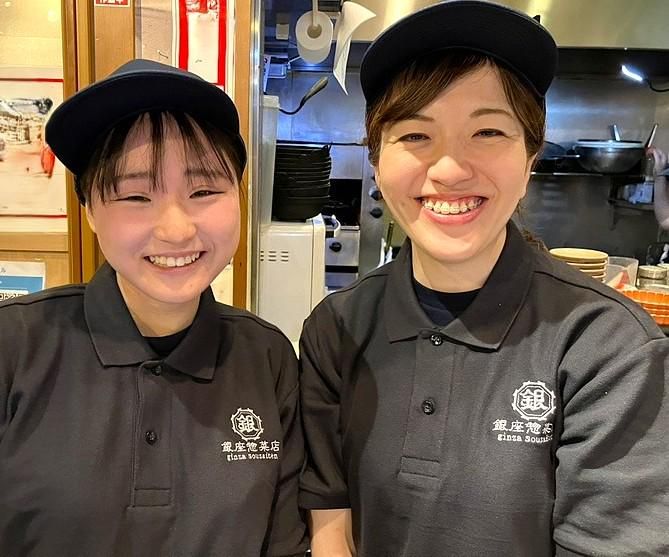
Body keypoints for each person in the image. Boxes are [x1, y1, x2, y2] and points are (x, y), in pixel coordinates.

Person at [298, 2, 669, 556]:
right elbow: (332, 527)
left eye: (488, 131)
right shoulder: (337, 328)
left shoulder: (607, 347)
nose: (449, 169)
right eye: (415, 135)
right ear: (376, 160)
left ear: (531, 157)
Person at [0, 59, 307, 556]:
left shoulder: (267, 357)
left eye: (204, 191)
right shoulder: (15, 346)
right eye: (136, 196)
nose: (176, 229)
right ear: (90, 210)